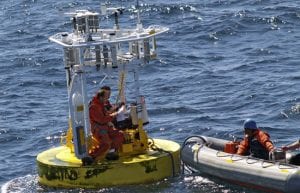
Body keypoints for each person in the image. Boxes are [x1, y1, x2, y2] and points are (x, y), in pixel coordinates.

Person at [88, 86, 124, 162]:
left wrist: (116, 108)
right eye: (107, 96)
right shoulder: (94, 107)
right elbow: (101, 120)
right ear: (101, 97)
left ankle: (110, 153)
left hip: (105, 125)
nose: (108, 98)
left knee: (119, 135)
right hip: (97, 128)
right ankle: (92, 157)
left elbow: (106, 114)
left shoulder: (103, 103)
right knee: (106, 143)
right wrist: (115, 114)